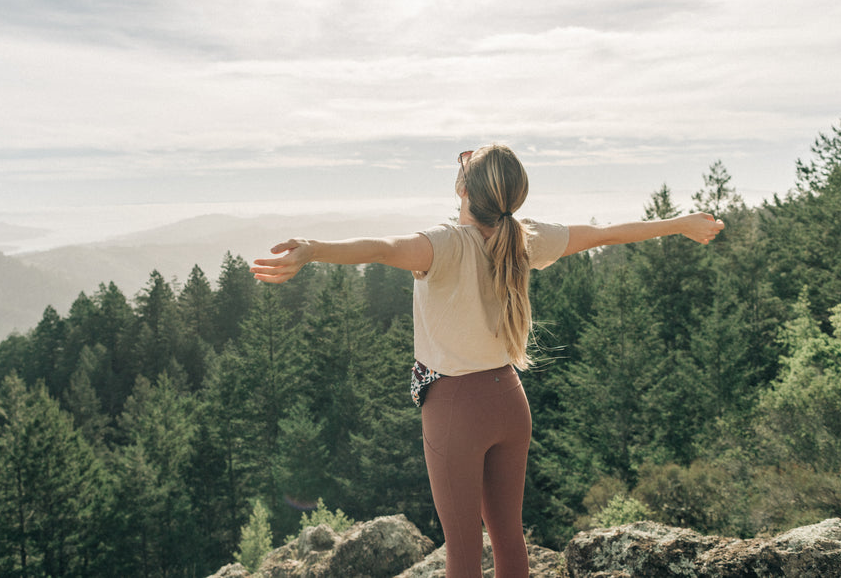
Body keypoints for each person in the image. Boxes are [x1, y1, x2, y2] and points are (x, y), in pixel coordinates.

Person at [250, 143, 724, 578]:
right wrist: (679, 224)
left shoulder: (445, 244)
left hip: (456, 409)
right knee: (509, 542)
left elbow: (381, 248)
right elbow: (604, 234)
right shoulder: (526, 238)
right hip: (510, 402)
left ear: (462, 189)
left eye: (464, 165)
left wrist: (313, 250)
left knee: (462, 552)